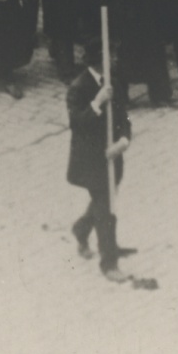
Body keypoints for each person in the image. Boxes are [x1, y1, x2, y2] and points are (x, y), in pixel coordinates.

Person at [65, 58, 134, 277]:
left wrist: (124, 138)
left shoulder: (113, 82)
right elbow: (77, 123)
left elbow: (124, 116)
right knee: (106, 210)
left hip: (113, 155)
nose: (113, 59)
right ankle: (109, 262)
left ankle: (81, 229)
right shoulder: (78, 87)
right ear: (96, 60)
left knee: (104, 201)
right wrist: (97, 102)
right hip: (91, 161)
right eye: (108, 55)